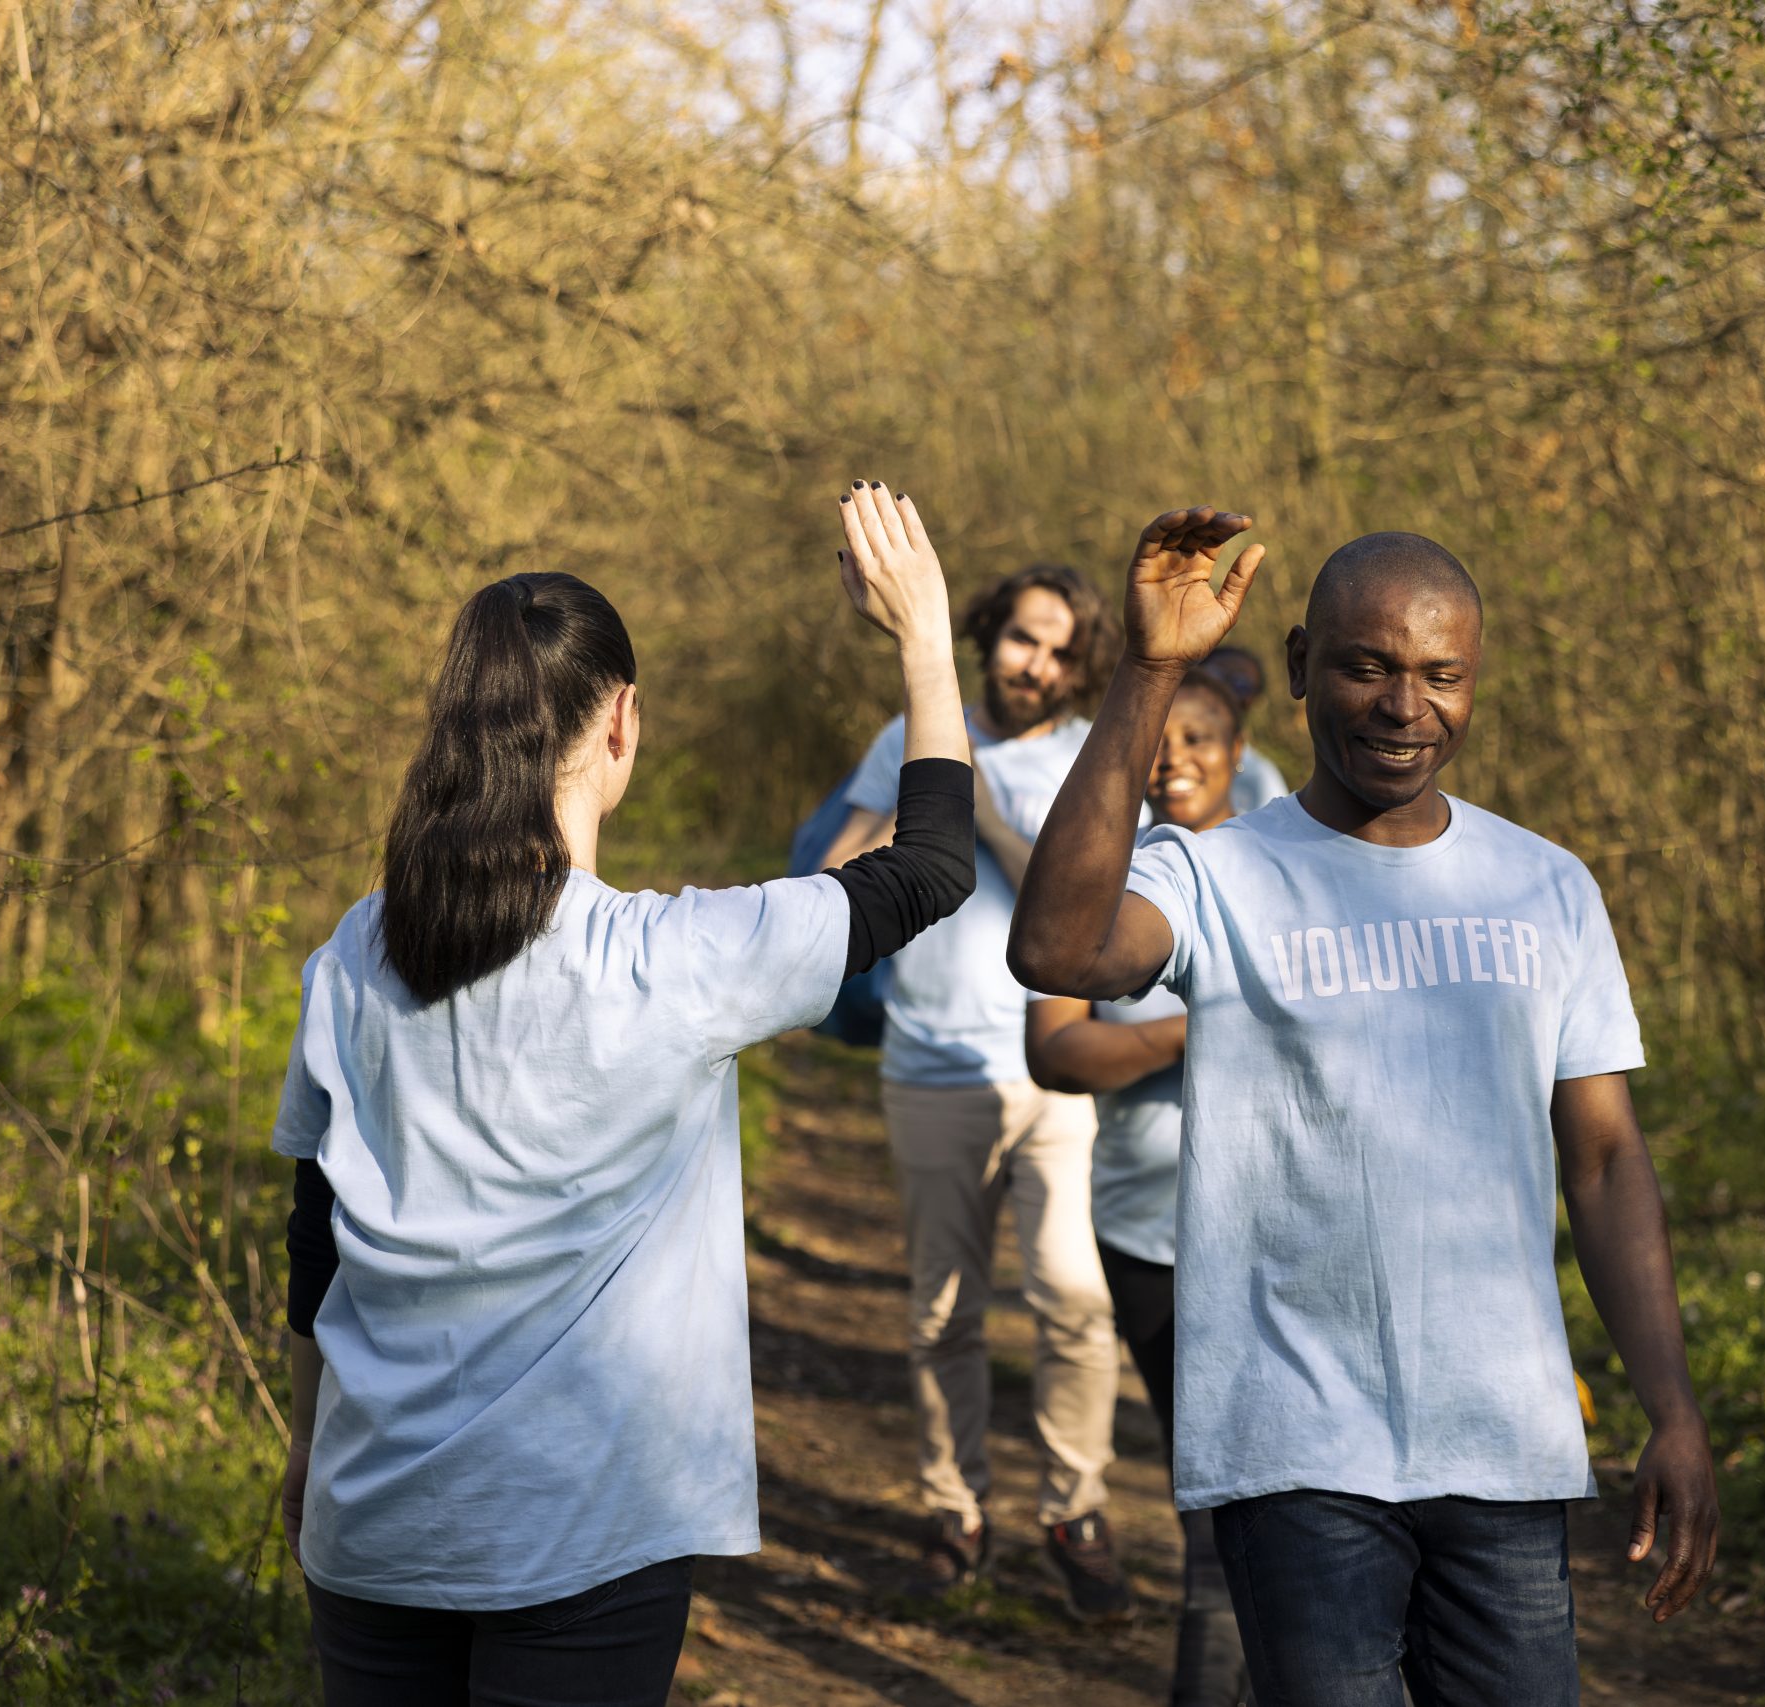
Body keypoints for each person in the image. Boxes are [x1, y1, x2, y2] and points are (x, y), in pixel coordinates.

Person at [272, 483, 977, 1707]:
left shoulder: (358, 949)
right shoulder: (678, 960)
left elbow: (311, 1231)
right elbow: (931, 869)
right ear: (622, 726)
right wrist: (923, 637)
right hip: (582, 1533)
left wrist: (302, 1450)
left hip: (369, 1519)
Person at [1008, 509, 1722, 1705]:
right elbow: (1057, 944)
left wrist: (1674, 1410)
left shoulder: (1546, 888)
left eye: (1440, 675)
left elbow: (1601, 1161)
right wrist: (1148, 669)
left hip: (1503, 1441)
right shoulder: (1217, 873)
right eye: (1366, 667)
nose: (1405, 706)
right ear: (1298, 668)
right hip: (1293, 1444)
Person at [815, 562, 1135, 1614]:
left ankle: (1075, 1508)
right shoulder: (911, 730)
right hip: (930, 1069)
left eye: (1057, 652)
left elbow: (1075, 906)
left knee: (1075, 1302)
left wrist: (984, 815)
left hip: (1052, 1075)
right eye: (1020, 640)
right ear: (987, 637)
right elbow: (843, 867)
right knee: (942, 1311)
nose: (1035, 665)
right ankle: (954, 1509)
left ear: (1076, 669)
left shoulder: (1088, 760)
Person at [1025, 667, 1250, 1707]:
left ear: (1240, 753)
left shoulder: (1278, 868)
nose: (1176, 758)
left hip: (1274, 1237)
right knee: (1213, 1510)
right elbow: (1058, 1054)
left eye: (1199, 738)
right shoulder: (1093, 881)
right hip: (1151, 1238)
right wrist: (1196, 1034)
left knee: (1287, 1506)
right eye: (1159, 738)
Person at [1203, 644, 1291, 812]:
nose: (1224, 689)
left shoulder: (1259, 777)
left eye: (1241, 684)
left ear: (1252, 700)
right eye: (1215, 675)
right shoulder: (1153, 753)